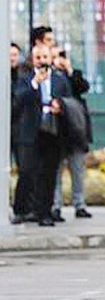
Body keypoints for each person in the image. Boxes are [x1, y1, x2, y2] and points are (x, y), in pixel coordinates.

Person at [12, 44, 73, 227]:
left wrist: (60, 105)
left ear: (50, 58)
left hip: (53, 131)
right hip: (30, 131)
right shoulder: (25, 79)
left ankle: (44, 212)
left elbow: (69, 100)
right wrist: (35, 84)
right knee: (27, 171)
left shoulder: (59, 80)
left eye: (45, 57)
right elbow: (18, 100)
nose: (42, 61)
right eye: (38, 57)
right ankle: (21, 209)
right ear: (32, 60)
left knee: (49, 173)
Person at [50, 47, 93, 221]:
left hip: (75, 129)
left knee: (78, 170)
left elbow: (83, 87)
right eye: (55, 56)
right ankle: (55, 205)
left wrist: (69, 70)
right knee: (56, 171)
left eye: (62, 56)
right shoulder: (48, 76)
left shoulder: (73, 75)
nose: (59, 59)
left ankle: (79, 204)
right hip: (57, 129)